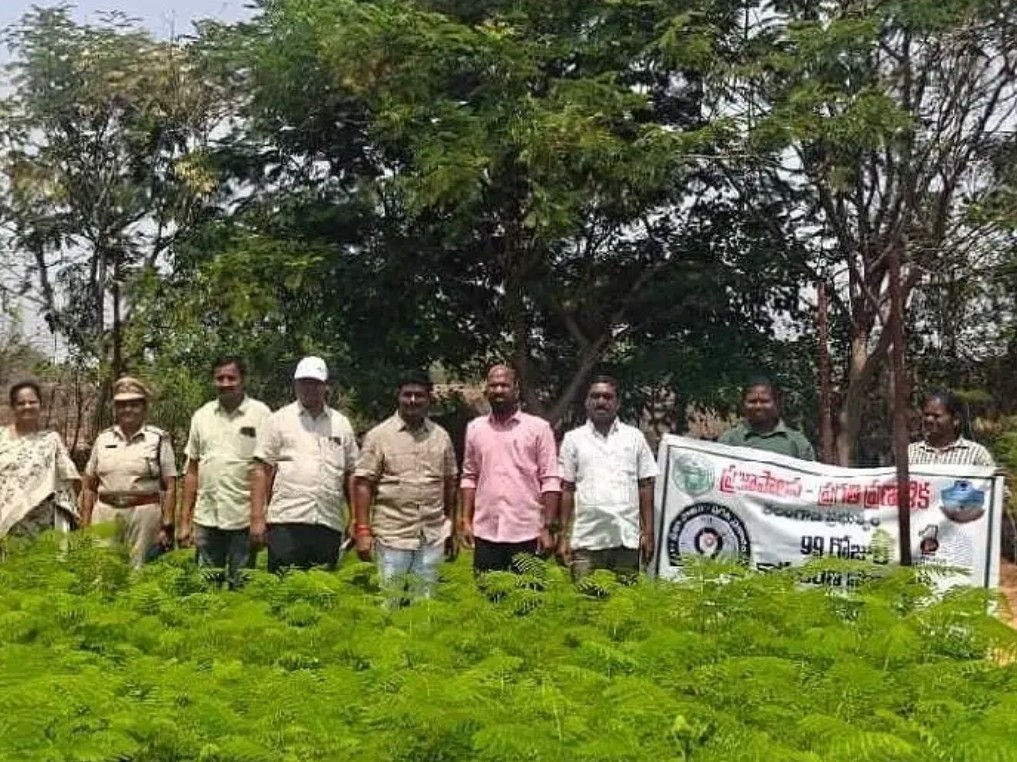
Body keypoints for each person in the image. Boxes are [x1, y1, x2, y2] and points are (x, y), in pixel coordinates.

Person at [352, 370, 458, 598]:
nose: (412, 400)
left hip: (432, 534)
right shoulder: (379, 436)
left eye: (419, 395)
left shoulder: (441, 437)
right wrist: (362, 530)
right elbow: (363, 484)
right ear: (398, 397)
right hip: (393, 534)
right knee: (390, 601)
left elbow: (450, 484)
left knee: (424, 605)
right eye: (407, 394)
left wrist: (451, 528)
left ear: (429, 399)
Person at [251, 356, 358, 572]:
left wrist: (355, 519)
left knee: (320, 594)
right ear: (296, 384)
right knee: (283, 591)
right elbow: (261, 470)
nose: (310, 388)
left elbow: (351, 475)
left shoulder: (341, 424)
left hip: (328, 523)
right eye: (304, 382)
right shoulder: (278, 420)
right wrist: (256, 517)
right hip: (286, 521)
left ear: (325, 385)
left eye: (316, 383)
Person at [179, 356, 271, 586]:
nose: (226, 383)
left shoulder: (260, 414)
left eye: (232, 377)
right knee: (205, 588)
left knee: (242, 588)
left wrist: (258, 518)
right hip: (207, 517)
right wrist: (184, 521)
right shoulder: (202, 416)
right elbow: (192, 470)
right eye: (220, 378)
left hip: (243, 517)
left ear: (243, 380)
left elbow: (265, 469)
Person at [459, 364, 560, 573]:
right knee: (488, 600)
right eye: (493, 385)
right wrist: (465, 520)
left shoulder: (538, 428)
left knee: (527, 601)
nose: (498, 390)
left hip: (527, 532)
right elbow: (469, 477)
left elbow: (550, 479)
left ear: (516, 389)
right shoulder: (475, 429)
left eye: (504, 385)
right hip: (486, 531)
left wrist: (548, 527)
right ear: (486, 389)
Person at [557, 376, 658, 581]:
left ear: (617, 403)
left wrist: (648, 532)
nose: (601, 401)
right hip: (586, 542)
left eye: (607, 397)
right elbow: (567, 489)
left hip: (626, 540)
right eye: (595, 396)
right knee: (585, 608)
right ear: (586, 401)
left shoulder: (634, 438)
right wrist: (563, 536)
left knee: (623, 608)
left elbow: (645, 486)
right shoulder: (573, 440)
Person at [80, 377, 177, 567]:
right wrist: (85, 523)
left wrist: (167, 525)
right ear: (115, 409)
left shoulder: (158, 439)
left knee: (139, 573)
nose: (128, 410)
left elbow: (171, 485)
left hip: (144, 514)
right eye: (122, 405)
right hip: (105, 513)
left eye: (134, 405)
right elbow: (89, 484)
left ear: (144, 408)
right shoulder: (103, 439)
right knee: (102, 569)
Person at [0, 381, 80, 541]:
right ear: (13, 407)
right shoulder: (1, 437)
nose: (27, 406)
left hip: (41, 525)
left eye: (32, 402)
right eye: (21, 403)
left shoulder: (51, 440)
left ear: (40, 405)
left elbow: (70, 481)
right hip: (4, 520)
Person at [718, 376, 816, 460]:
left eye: (764, 401)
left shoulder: (798, 443)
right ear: (743, 404)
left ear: (776, 402)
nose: (758, 406)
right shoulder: (729, 441)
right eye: (752, 401)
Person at [908, 389, 995, 467]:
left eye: (936, 416)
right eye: (926, 415)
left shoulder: (977, 454)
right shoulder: (910, 453)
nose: (929, 420)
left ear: (956, 419)